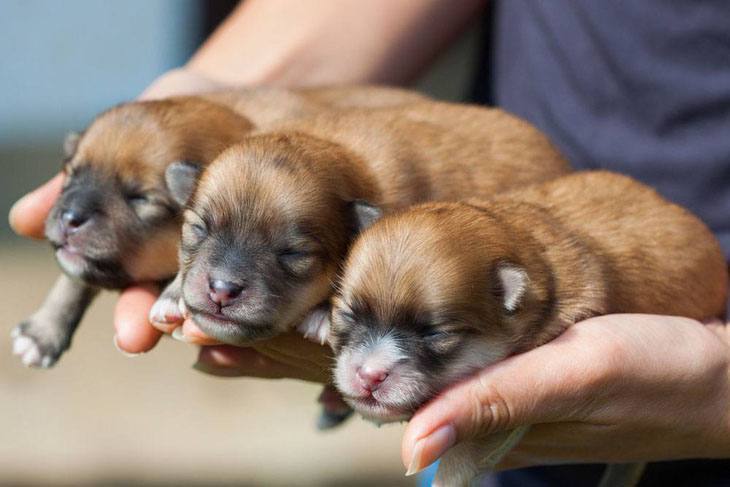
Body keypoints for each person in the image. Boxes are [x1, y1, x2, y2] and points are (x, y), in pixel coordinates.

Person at [9, 1, 730, 485]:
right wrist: (214, 101)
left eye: (295, 257)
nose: (219, 281)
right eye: (199, 229)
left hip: (580, 306)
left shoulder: (416, 218)